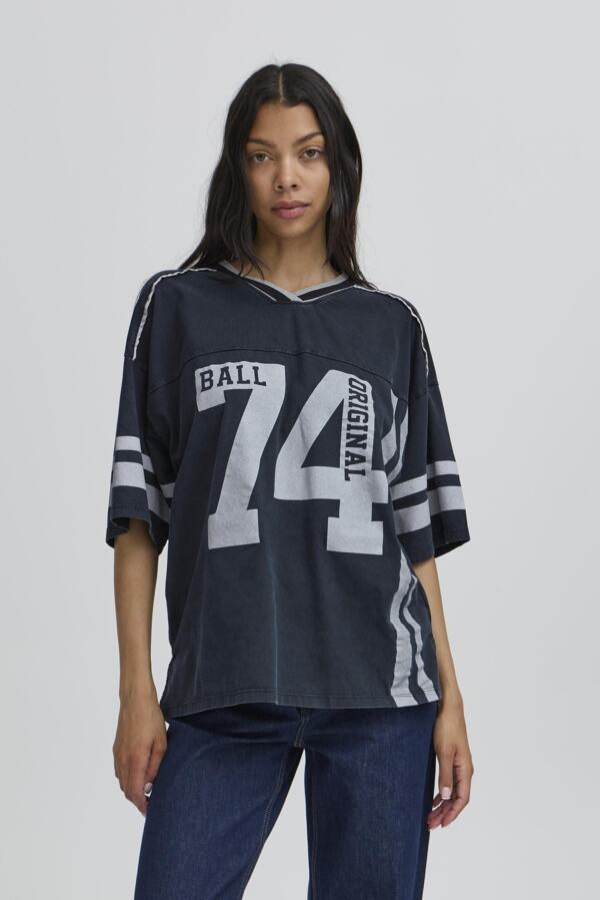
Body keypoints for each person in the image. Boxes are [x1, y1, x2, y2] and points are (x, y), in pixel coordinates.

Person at [106, 62, 475, 900]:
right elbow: (137, 519)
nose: (286, 177)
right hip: (224, 684)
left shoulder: (391, 327)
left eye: (308, 153)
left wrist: (451, 697)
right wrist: (136, 691)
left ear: (338, 164)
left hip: (381, 696)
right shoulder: (176, 308)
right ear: (236, 168)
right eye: (262, 154)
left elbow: (415, 540)